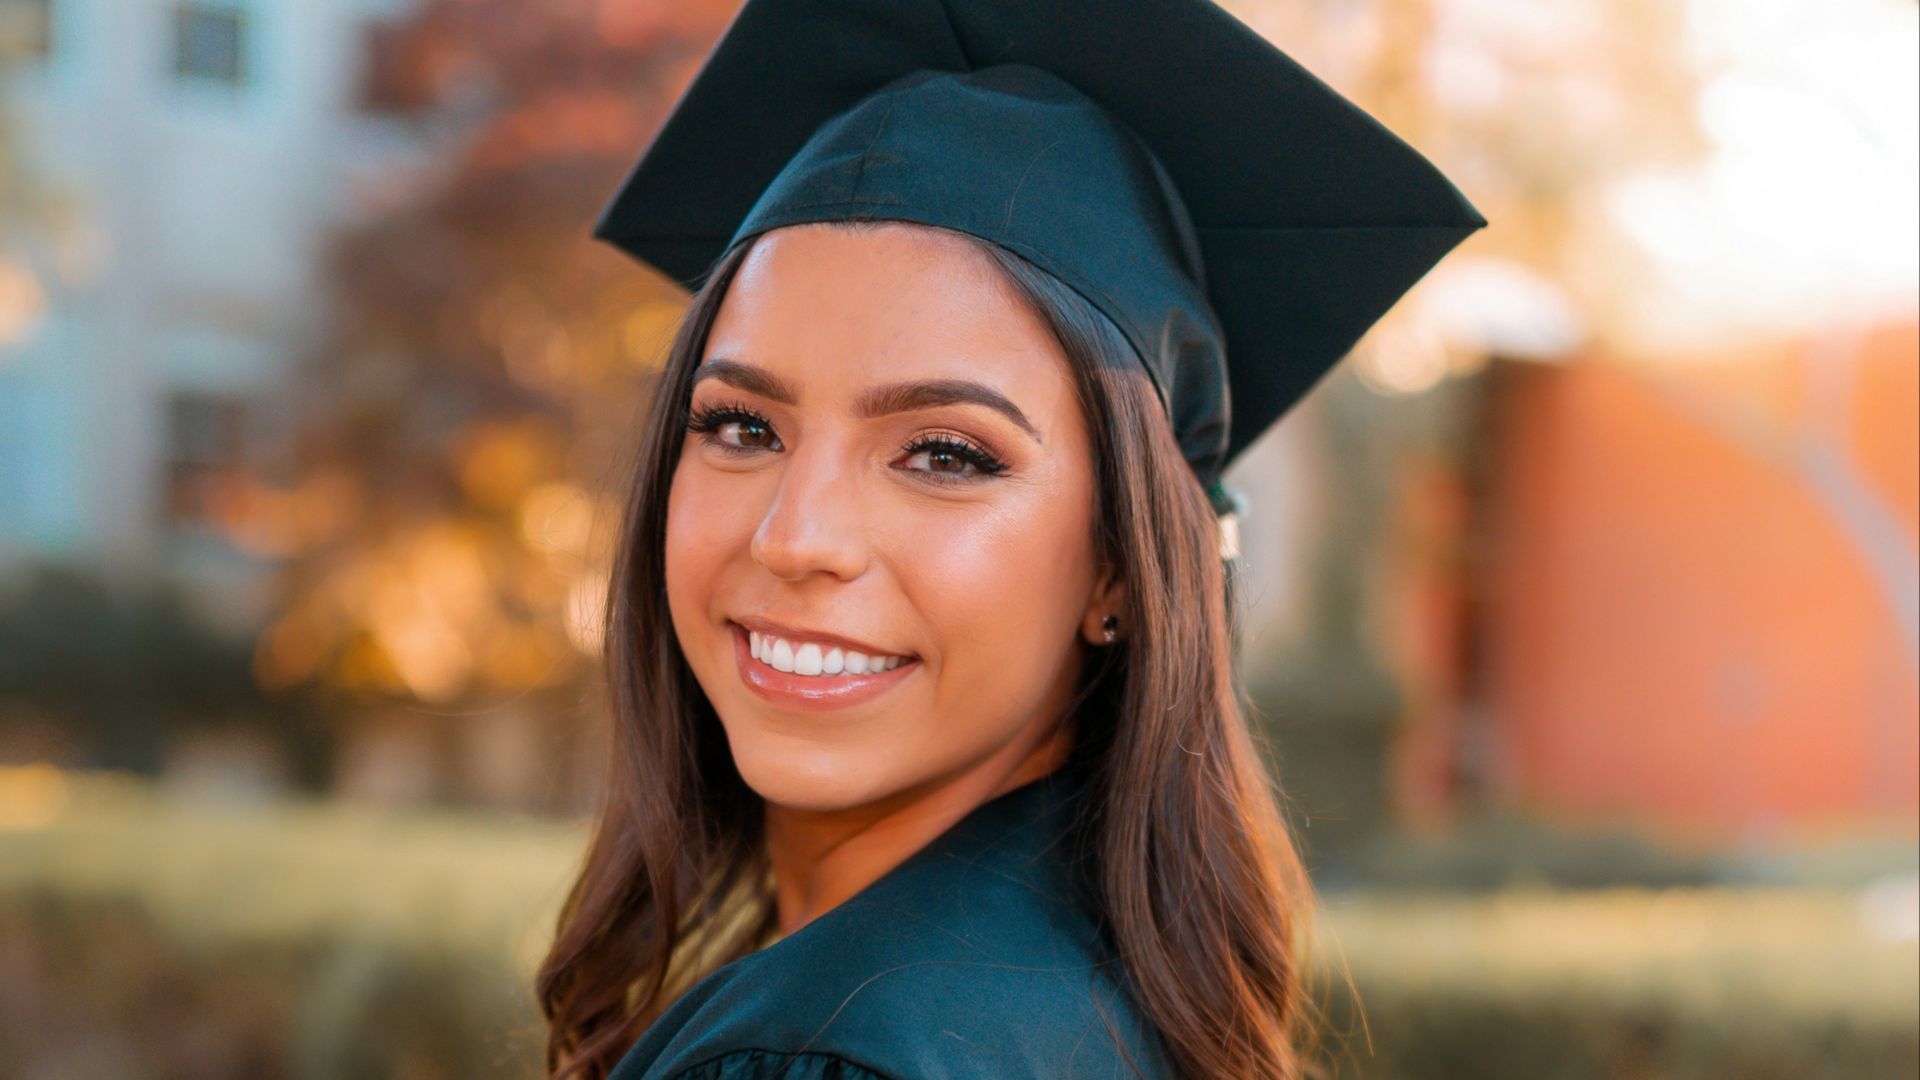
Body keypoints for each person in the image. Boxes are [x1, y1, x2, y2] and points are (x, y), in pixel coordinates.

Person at [537, 1, 1485, 1078]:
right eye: (742, 427)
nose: (797, 537)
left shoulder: (831, 1053)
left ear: (1121, 567)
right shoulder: (1091, 1002)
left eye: (945, 454)